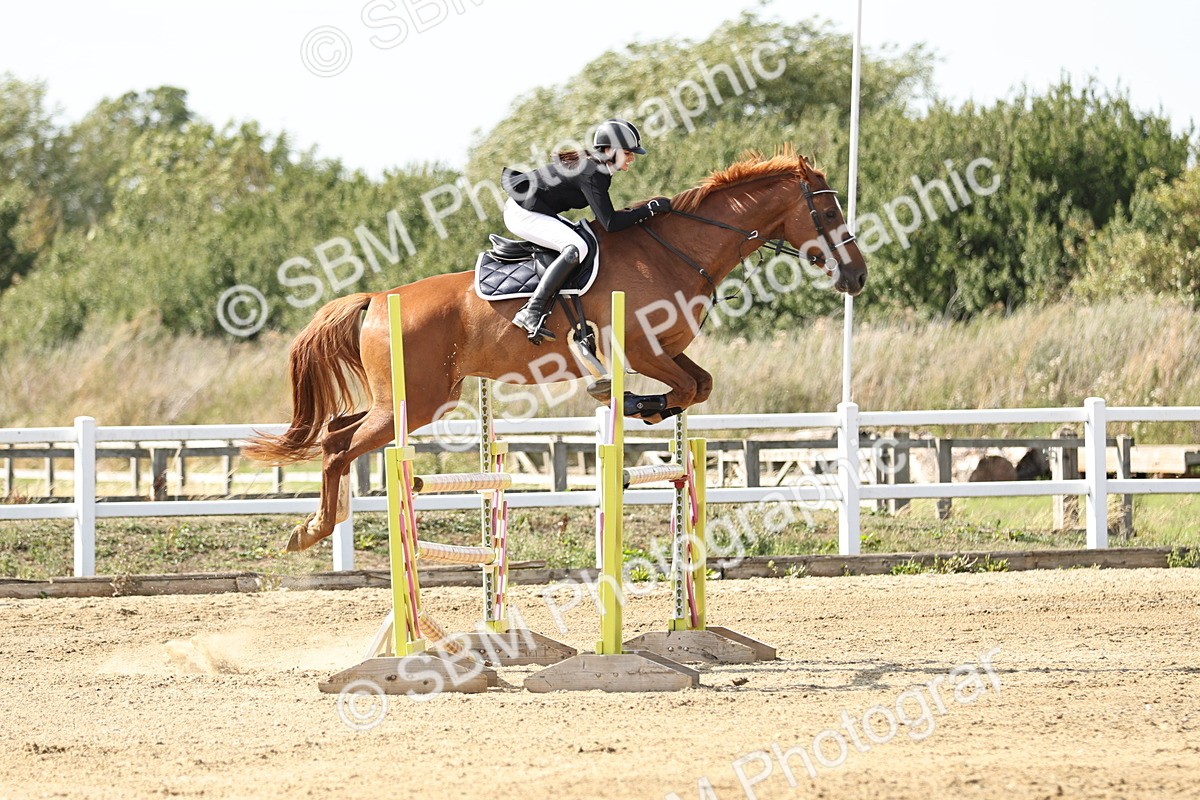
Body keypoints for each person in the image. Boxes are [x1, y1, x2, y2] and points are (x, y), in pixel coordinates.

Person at [499, 118, 672, 342]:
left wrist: (644, 211)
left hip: (535, 209)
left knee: (584, 241)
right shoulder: (593, 172)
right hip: (522, 212)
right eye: (628, 153)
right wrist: (648, 210)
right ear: (609, 150)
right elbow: (610, 223)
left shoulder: (597, 168)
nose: (632, 158)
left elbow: (609, 219)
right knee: (576, 247)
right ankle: (530, 311)